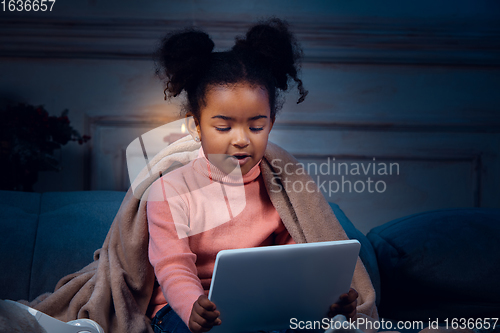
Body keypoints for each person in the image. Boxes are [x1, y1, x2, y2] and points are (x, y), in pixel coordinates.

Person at [147, 18, 359, 333]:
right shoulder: (169, 190)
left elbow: (297, 259)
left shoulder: (279, 190)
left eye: (256, 126)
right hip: (184, 313)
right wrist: (194, 307)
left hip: (259, 311)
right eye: (223, 127)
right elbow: (173, 267)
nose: (242, 139)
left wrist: (327, 301)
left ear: (271, 124)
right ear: (196, 126)